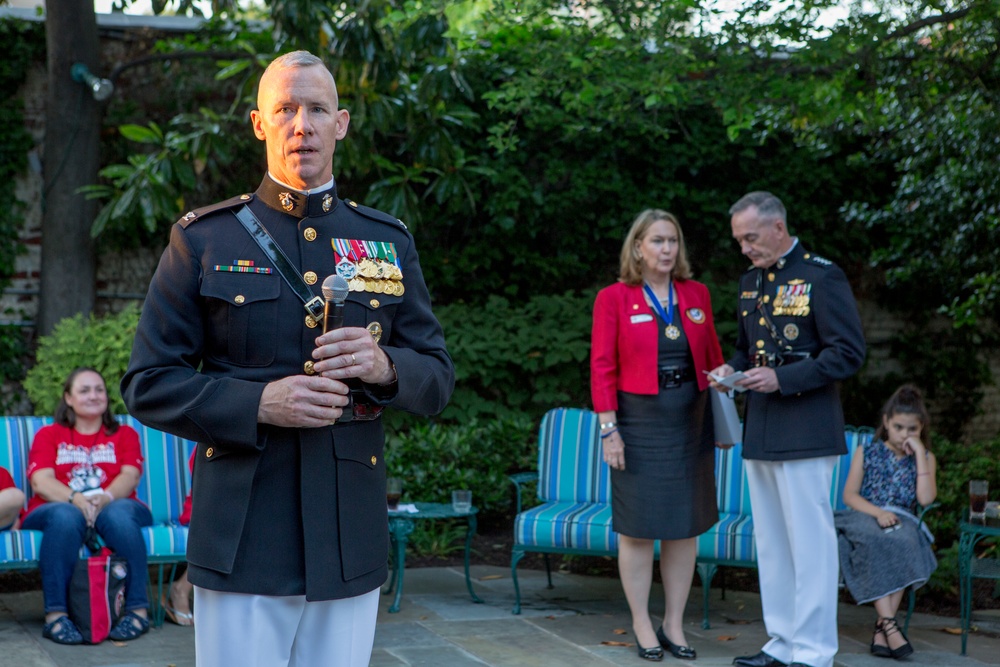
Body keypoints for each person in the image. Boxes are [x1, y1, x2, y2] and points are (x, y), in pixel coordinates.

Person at [121, 49, 454, 667]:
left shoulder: (386, 241)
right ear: (259, 123)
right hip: (243, 529)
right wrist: (258, 402)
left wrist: (384, 368)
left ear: (342, 123)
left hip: (347, 531)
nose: (302, 124)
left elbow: (436, 377)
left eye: (317, 109)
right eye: (286, 109)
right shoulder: (203, 238)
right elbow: (147, 382)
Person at [709, 191, 866, 667]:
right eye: (739, 240)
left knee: (811, 546)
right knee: (773, 544)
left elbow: (848, 353)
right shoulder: (750, 282)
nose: (745, 249)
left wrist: (783, 378)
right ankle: (781, 642)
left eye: (750, 238)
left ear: (778, 228)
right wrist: (727, 371)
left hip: (807, 426)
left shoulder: (822, 275)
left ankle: (814, 652)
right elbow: (746, 349)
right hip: (762, 428)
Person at [591, 209, 725, 662]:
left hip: (690, 423)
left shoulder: (697, 293)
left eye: (673, 241)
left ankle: (673, 622)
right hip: (638, 423)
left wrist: (725, 381)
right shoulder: (614, 298)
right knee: (638, 530)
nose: (667, 249)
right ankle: (642, 622)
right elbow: (602, 367)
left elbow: (714, 356)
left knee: (684, 529)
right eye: (658, 241)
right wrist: (610, 431)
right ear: (638, 248)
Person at [20, 368, 153, 645]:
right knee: (66, 515)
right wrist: (76, 499)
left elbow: (129, 476)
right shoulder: (50, 435)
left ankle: (137, 610)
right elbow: (41, 481)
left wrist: (104, 497)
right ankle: (56, 617)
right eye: (84, 390)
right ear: (68, 398)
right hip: (55, 508)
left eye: (99, 389)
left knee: (117, 513)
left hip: (116, 503)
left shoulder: (124, 434)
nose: (94, 396)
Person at [835, 384, 937, 660]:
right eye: (899, 427)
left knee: (903, 541)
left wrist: (919, 457)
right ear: (886, 423)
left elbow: (925, 499)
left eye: (912, 429)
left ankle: (883, 629)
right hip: (864, 514)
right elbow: (849, 495)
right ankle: (891, 625)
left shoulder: (925, 459)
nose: (905, 434)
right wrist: (877, 513)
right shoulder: (867, 453)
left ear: (921, 428)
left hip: (902, 520)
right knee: (874, 538)